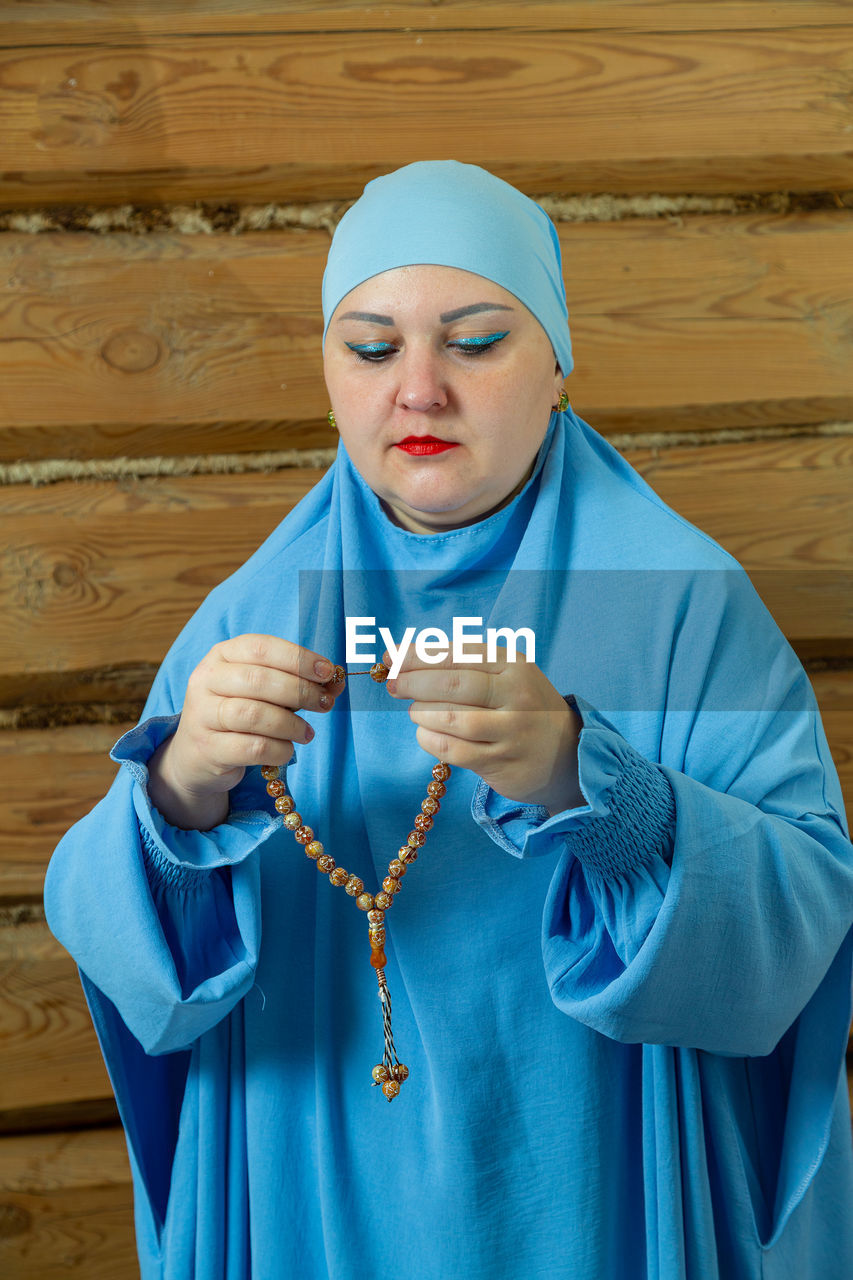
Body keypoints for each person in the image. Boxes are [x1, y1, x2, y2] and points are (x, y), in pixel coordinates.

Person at [45, 161, 853, 1280]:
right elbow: (115, 934)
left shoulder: (676, 598)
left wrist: (595, 787)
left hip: (593, 1182)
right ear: (329, 374)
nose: (417, 389)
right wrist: (177, 793)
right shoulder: (253, 612)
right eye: (371, 347)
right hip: (314, 1179)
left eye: (474, 342)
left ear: (559, 365)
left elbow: (803, 918)